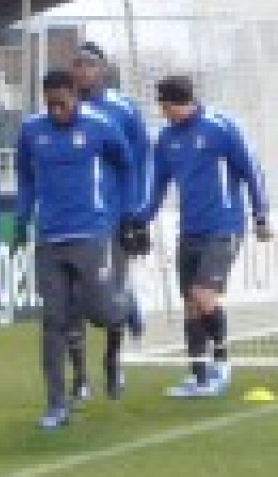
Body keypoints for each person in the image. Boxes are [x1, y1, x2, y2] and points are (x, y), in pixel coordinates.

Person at [14, 69, 141, 429]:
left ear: (75, 97)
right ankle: (55, 404)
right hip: (50, 239)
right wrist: (23, 215)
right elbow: (24, 173)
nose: (56, 111)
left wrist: (129, 211)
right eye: (50, 104)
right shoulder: (31, 130)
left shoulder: (99, 125)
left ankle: (124, 305)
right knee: (53, 321)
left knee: (100, 312)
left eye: (63, 104)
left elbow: (127, 163)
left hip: (91, 234)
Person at [140, 74, 271, 396]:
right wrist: (140, 219)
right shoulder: (167, 139)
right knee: (191, 305)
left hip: (223, 226)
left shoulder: (220, 127)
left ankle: (222, 362)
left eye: (163, 105)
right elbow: (157, 185)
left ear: (172, 103)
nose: (162, 111)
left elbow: (251, 169)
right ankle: (199, 376)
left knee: (204, 296)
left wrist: (260, 213)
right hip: (190, 229)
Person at [67, 41, 153, 400]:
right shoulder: (64, 109)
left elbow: (142, 160)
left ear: (103, 69)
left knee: (108, 301)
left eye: (89, 64)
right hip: (72, 221)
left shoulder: (123, 109)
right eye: (78, 64)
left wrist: (137, 211)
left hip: (113, 219)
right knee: (71, 300)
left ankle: (113, 363)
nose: (82, 70)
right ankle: (79, 378)